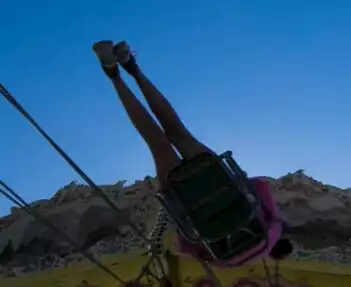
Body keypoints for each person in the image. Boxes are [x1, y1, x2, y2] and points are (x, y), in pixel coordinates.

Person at [92, 41, 287, 266]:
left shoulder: (273, 230)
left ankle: (132, 67)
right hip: (182, 194)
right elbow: (184, 244)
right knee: (155, 141)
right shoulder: (225, 262)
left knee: (175, 128)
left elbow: (260, 186)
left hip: (215, 176)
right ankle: (112, 73)